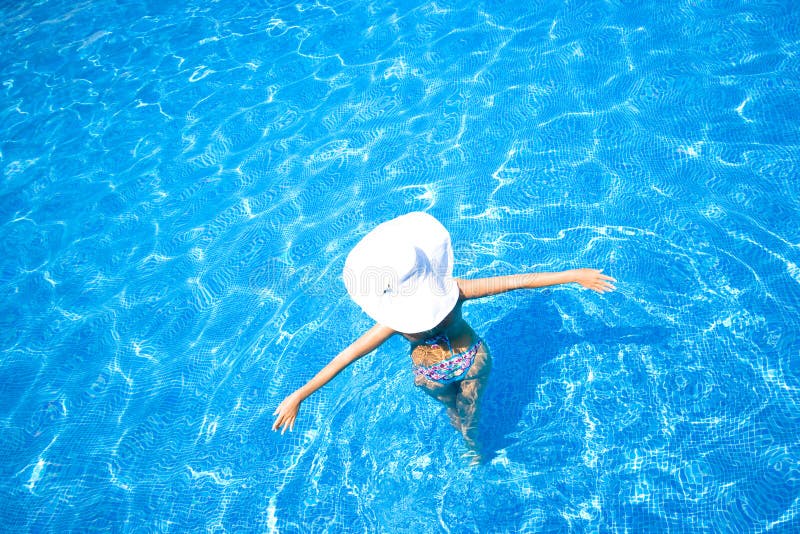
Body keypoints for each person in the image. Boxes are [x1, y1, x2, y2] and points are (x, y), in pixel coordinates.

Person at [272, 212, 615, 460]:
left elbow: (346, 357)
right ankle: (475, 447)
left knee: (454, 411)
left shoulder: (393, 321)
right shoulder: (456, 290)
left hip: (431, 375)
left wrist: (299, 395)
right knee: (473, 411)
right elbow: (519, 280)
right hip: (472, 360)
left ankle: (468, 442)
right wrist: (574, 274)